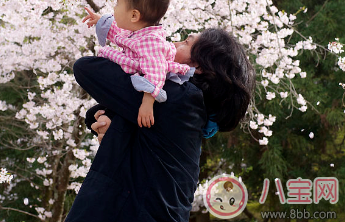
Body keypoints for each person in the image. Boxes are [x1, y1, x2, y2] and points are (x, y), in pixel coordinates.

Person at [65, 27, 255, 222]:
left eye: (185, 43)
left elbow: (87, 68)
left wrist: (146, 50)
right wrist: (107, 122)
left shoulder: (180, 99)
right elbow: (103, 110)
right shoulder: (188, 108)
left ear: (198, 66)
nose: (173, 44)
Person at [82, 0, 193, 129]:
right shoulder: (140, 31)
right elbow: (121, 36)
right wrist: (101, 20)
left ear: (134, 15)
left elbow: (156, 72)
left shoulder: (151, 41)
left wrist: (147, 103)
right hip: (134, 72)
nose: (114, 8)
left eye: (118, 3)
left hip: (143, 81)